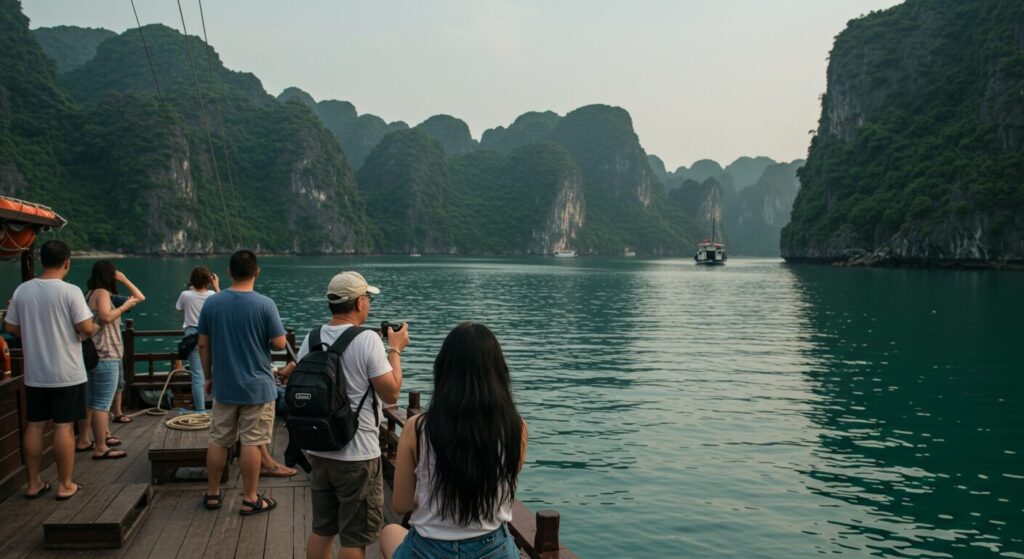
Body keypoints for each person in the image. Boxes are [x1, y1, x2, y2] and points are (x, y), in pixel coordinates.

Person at [284, 271, 408, 559]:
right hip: (358, 455)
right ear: (360, 302)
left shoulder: (313, 336)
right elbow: (391, 393)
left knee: (322, 530)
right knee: (354, 539)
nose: (369, 304)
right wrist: (395, 349)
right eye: (368, 299)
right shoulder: (367, 340)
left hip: (320, 449)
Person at [381, 323, 527, 559]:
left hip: (427, 549)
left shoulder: (417, 428)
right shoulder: (516, 427)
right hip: (494, 549)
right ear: (498, 372)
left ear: (444, 370)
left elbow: (400, 505)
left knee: (389, 533)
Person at [3, 240, 97, 500]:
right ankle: (65, 484)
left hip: (36, 374)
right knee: (64, 428)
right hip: (67, 372)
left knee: (34, 426)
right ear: (67, 262)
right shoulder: (70, 291)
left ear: (42, 260)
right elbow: (86, 329)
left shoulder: (23, 291)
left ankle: (33, 483)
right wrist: (96, 325)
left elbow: (10, 329)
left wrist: (34, 332)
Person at [199, 250, 287, 515]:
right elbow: (279, 343)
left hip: (224, 385)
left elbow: (203, 344)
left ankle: (213, 494)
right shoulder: (265, 305)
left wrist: (208, 376)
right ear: (257, 272)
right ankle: (250, 498)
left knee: (218, 439)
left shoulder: (212, 304)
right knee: (251, 442)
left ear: (229, 272)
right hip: (257, 387)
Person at [75, 261, 144, 459]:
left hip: (91, 355)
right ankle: (101, 447)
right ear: (109, 276)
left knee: (90, 401)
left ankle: (83, 440)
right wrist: (124, 308)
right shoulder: (103, 293)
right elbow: (106, 317)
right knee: (102, 404)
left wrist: (124, 283)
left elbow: (140, 297)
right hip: (107, 354)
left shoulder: (88, 294)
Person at [175, 266, 219, 413]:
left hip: (192, 337)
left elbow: (179, 308)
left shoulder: (185, 295)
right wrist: (216, 286)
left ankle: (200, 410)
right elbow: (224, 303)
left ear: (192, 280)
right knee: (215, 372)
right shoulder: (213, 295)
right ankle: (219, 408)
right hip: (211, 335)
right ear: (209, 280)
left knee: (197, 375)